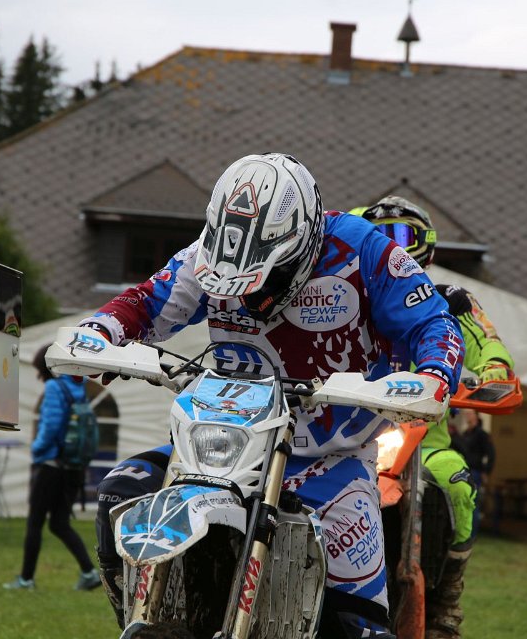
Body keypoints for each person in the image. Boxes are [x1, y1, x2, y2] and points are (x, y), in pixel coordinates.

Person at [83, 153, 465, 638]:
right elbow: (148, 300)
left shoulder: (364, 249)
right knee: (122, 488)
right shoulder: (210, 251)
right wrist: (102, 330)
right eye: (234, 285)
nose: (250, 296)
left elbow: (433, 322)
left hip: (330, 455)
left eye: (267, 276)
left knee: (359, 624)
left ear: (302, 239)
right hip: (224, 442)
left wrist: (434, 373)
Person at [356, 196, 515, 639]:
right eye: (379, 234)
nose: (391, 243)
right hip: (350, 436)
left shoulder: (449, 301)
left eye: (401, 233)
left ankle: (447, 599)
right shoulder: (348, 297)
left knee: (456, 481)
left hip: (427, 441)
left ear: (425, 243)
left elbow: (487, 341)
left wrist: (494, 368)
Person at [3, 346, 101, 592]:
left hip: (51, 465)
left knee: (35, 522)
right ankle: (89, 573)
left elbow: (51, 425)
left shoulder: (54, 388)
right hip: (74, 466)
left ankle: (26, 580)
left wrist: (37, 449)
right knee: (59, 523)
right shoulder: (78, 387)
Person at [449, 407, 496, 538]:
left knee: (473, 503)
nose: (467, 416)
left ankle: (471, 534)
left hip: (475, 471)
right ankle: (463, 532)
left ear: (476, 416)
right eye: (466, 414)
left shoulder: (481, 434)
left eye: (470, 414)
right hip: (465, 471)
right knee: (463, 501)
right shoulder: (465, 433)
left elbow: (491, 453)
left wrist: (486, 471)